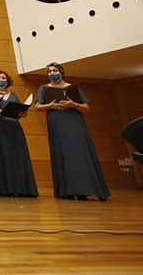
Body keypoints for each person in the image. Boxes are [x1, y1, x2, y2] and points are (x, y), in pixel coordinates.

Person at [34, 62, 109, 201]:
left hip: (74, 123)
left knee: (79, 154)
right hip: (56, 123)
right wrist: (50, 105)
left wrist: (73, 104)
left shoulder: (73, 88)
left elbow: (86, 108)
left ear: (61, 73)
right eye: (49, 71)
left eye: (55, 70)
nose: (52, 73)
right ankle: (66, 191)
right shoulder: (44, 88)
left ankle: (83, 190)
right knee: (62, 154)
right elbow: (37, 107)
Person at [0, 70, 38, 197]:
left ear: (8, 81)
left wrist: (24, 114)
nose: (1, 80)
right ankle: (6, 188)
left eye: (3, 78)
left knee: (18, 155)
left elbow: (20, 112)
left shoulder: (13, 95)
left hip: (15, 127)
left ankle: (22, 188)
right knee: (4, 155)